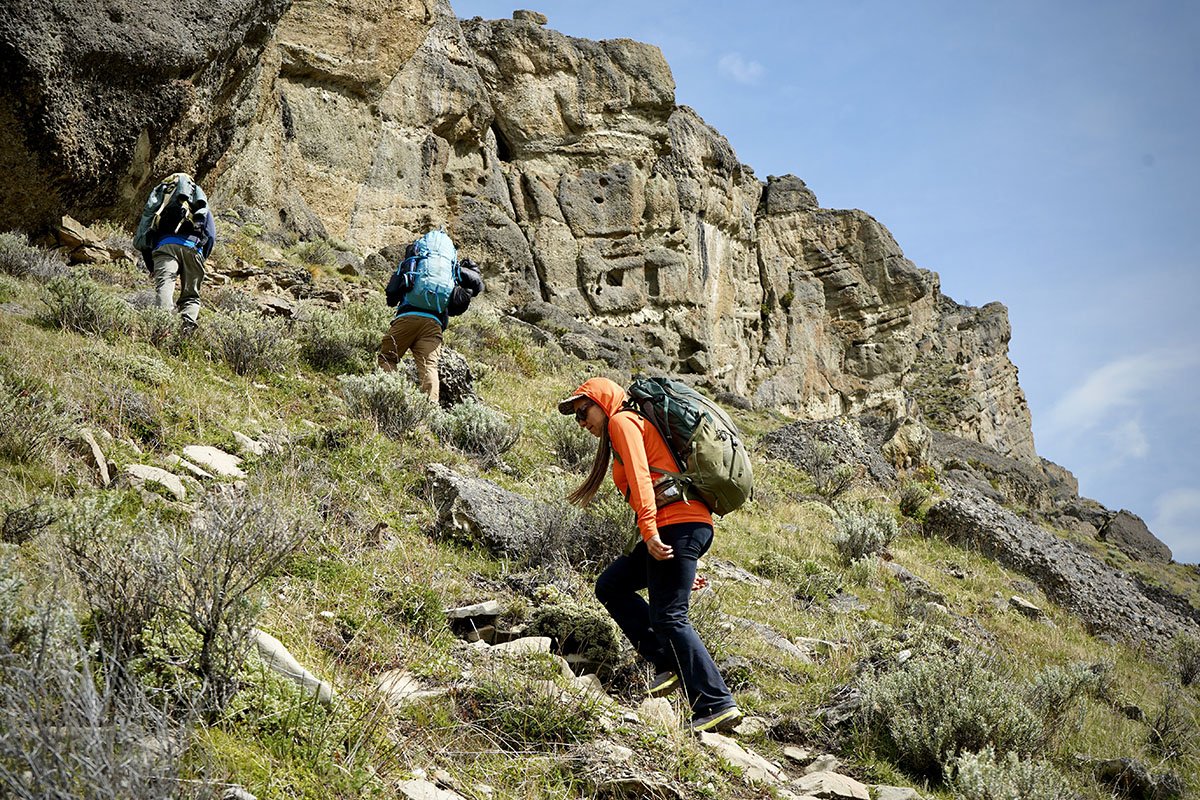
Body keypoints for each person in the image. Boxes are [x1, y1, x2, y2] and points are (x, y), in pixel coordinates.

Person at [559, 376, 742, 733]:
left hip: (677, 525)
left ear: (603, 401)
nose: (582, 423)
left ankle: (716, 703)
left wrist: (650, 530)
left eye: (584, 411)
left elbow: (643, 478)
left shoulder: (622, 421)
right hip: (684, 526)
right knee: (611, 585)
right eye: (577, 418)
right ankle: (666, 662)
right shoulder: (627, 424)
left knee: (670, 616)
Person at [378, 248, 484, 405]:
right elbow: (459, 305)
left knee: (388, 357)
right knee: (429, 367)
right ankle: (429, 412)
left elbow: (391, 296)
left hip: (407, 318)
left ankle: (389, 401)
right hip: (433, 324)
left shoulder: (412, 265)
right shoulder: (450, 274)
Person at [134, 173, 216, 332]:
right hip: (193, 248)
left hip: (165, 247)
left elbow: (145, 236)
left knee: (165, 286)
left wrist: (151, 267)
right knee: (191, 295)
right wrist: (200, 256)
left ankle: (162, 328)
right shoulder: (198, 203)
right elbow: (211, 234)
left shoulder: (160, 202)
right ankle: (186, 329)